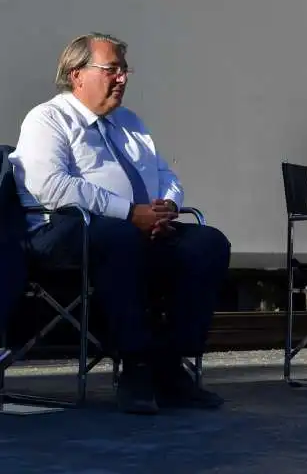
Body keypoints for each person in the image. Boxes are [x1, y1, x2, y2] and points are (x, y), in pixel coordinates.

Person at [10, 33, 230, 414]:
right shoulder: (48, 119)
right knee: (120, 237)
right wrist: (130, 213)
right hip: (63, 230)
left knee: (208, 243)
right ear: (77, 74)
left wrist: (164, 208)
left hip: (134, 227)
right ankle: (136, 364)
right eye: (112, 69)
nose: (122, 78)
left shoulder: (130, 122)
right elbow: (52, 187)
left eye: (124, 70)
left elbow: (165, 175)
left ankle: (170, 363)